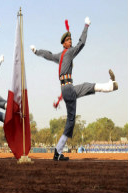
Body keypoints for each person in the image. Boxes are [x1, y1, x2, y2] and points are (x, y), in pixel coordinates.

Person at [30, 17, 118, 161]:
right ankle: (57, 152)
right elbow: (81, 43)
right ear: (64, 43)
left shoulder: (60, 55)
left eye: (71, 40)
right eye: (68, 40)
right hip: (68, 89)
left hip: (66, 89)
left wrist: (36, 51)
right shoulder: (69, 52)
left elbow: (48, 55)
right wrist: (86, 25)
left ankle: (110, 86)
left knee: (78, 106)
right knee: (75, 111)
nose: (70, 42)